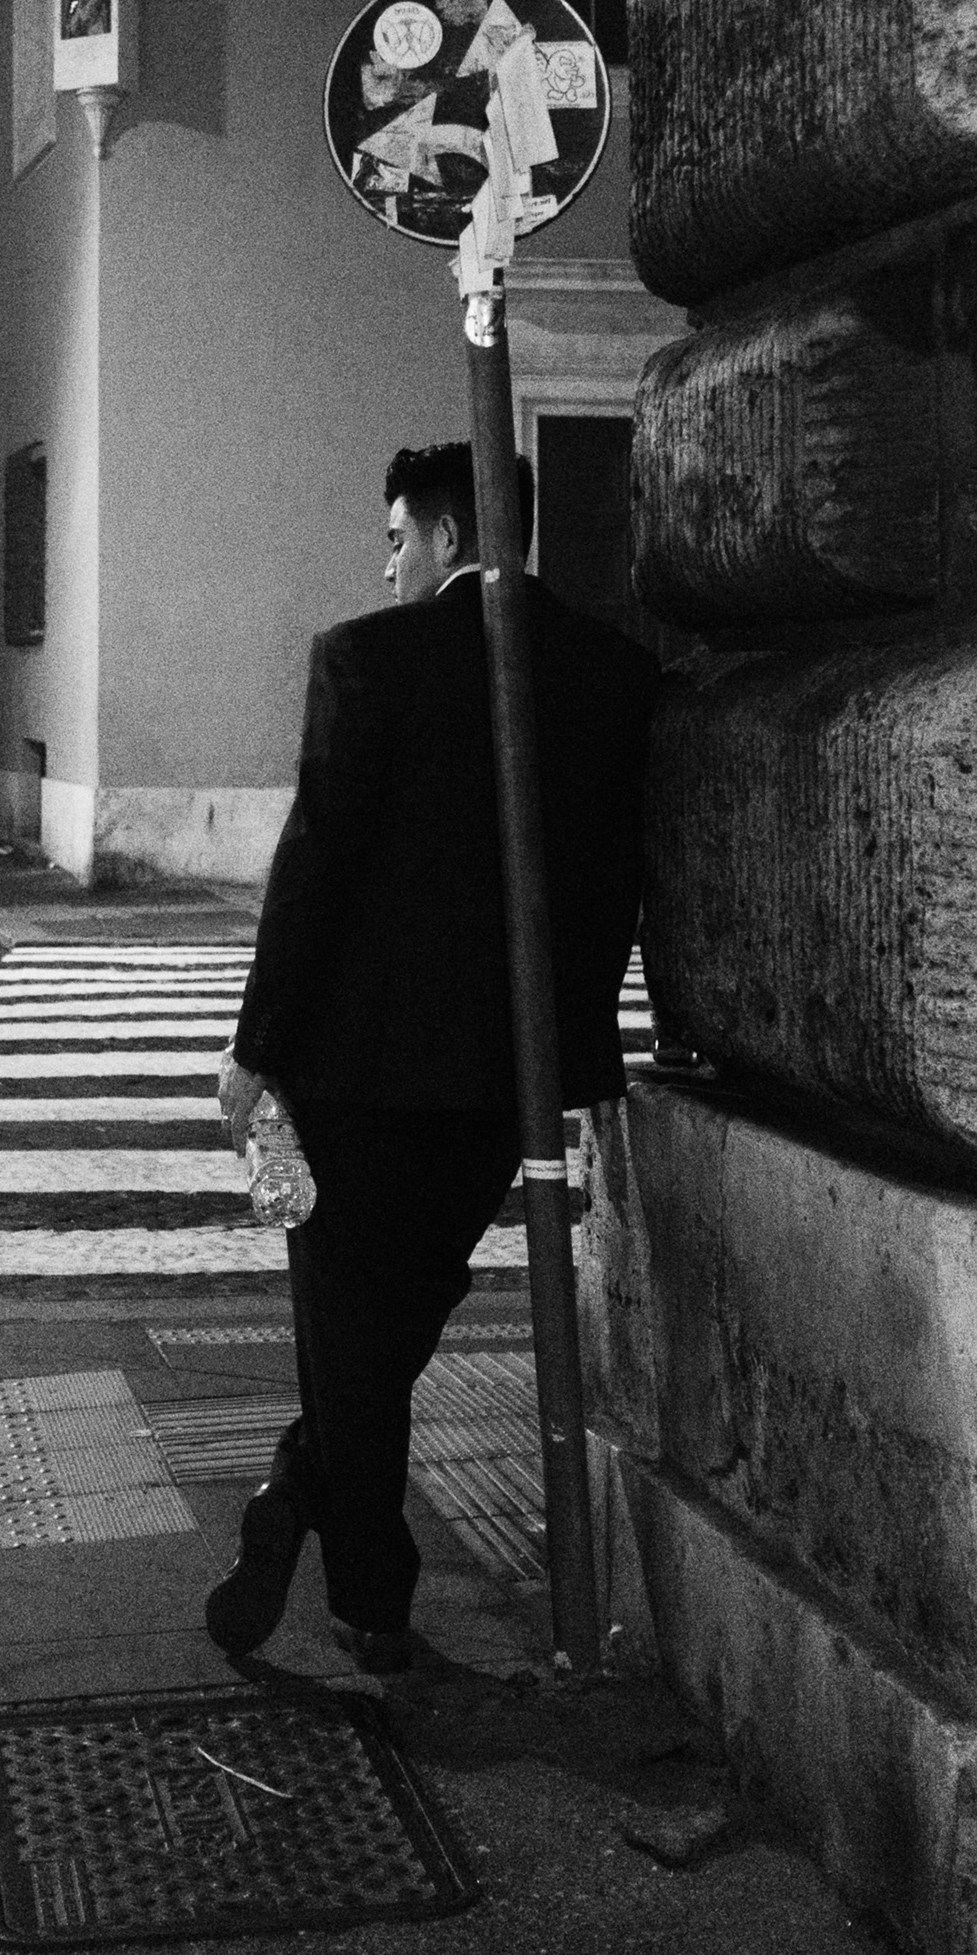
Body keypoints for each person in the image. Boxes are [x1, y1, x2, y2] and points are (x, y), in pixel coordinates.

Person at [205, 440, 658, 1674]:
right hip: (504, 1078)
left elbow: (316, 870)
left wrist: (256, 1051)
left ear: (451, 537)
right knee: (398, 1316)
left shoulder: (370, 659)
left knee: (352, 1333)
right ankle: (308, 1503)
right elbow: (613, 888)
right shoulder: (614, 673)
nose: (387, 557)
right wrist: (570, 1051)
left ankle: (366, 1591)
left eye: (397, 534)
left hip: (359, 1066)